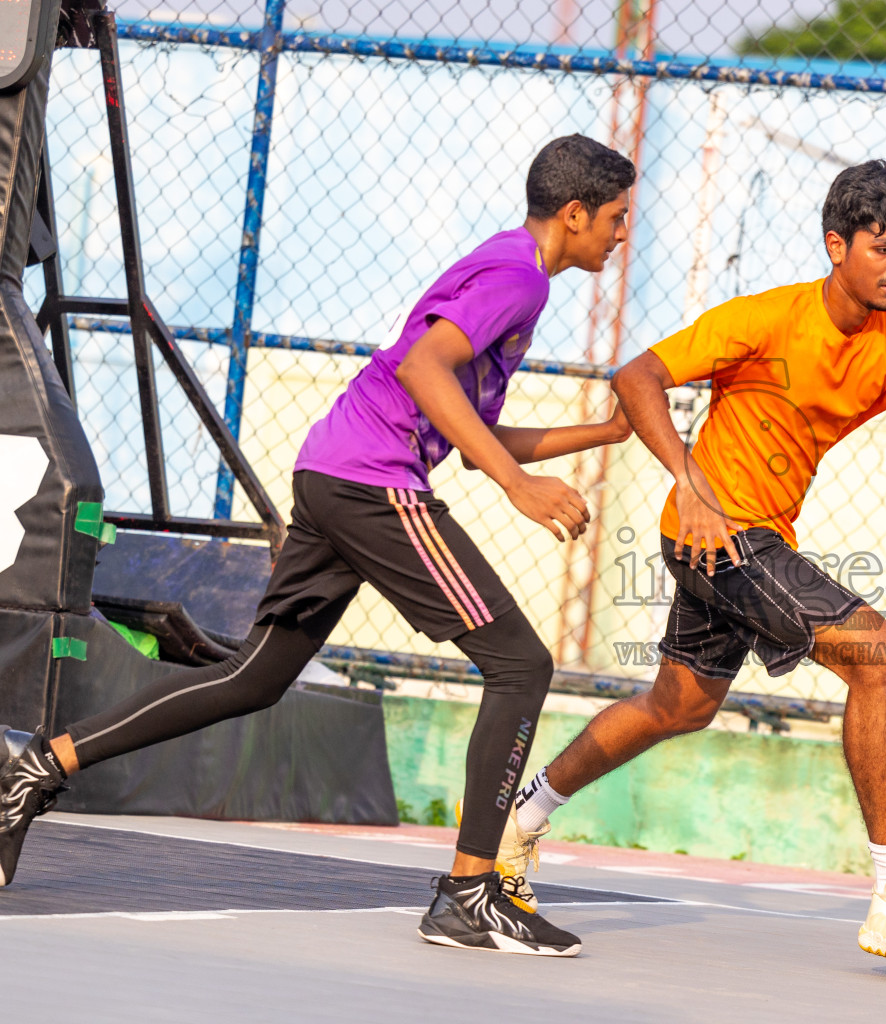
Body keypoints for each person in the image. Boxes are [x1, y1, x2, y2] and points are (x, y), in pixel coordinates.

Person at [0, 133, 637, 958]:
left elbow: (465, 413)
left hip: (334, 472)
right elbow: (424, 373)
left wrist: (605, 431)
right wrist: (517, 489)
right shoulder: (516, 278)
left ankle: (37, 767)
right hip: (373, 485)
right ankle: (469, 892)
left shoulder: (508, 267)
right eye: (617, 219)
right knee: (521, 664)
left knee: (253, 678)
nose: (622, 235)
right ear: (575, 213)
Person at [499, 159, 886, 969]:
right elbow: (638, 376)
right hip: (716, 533)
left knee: (679, 705)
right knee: (877, 655)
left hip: (761, 538)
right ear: (837, 245)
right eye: (883, 247)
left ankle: (520, 821)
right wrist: (691, 485)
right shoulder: (767, 319)